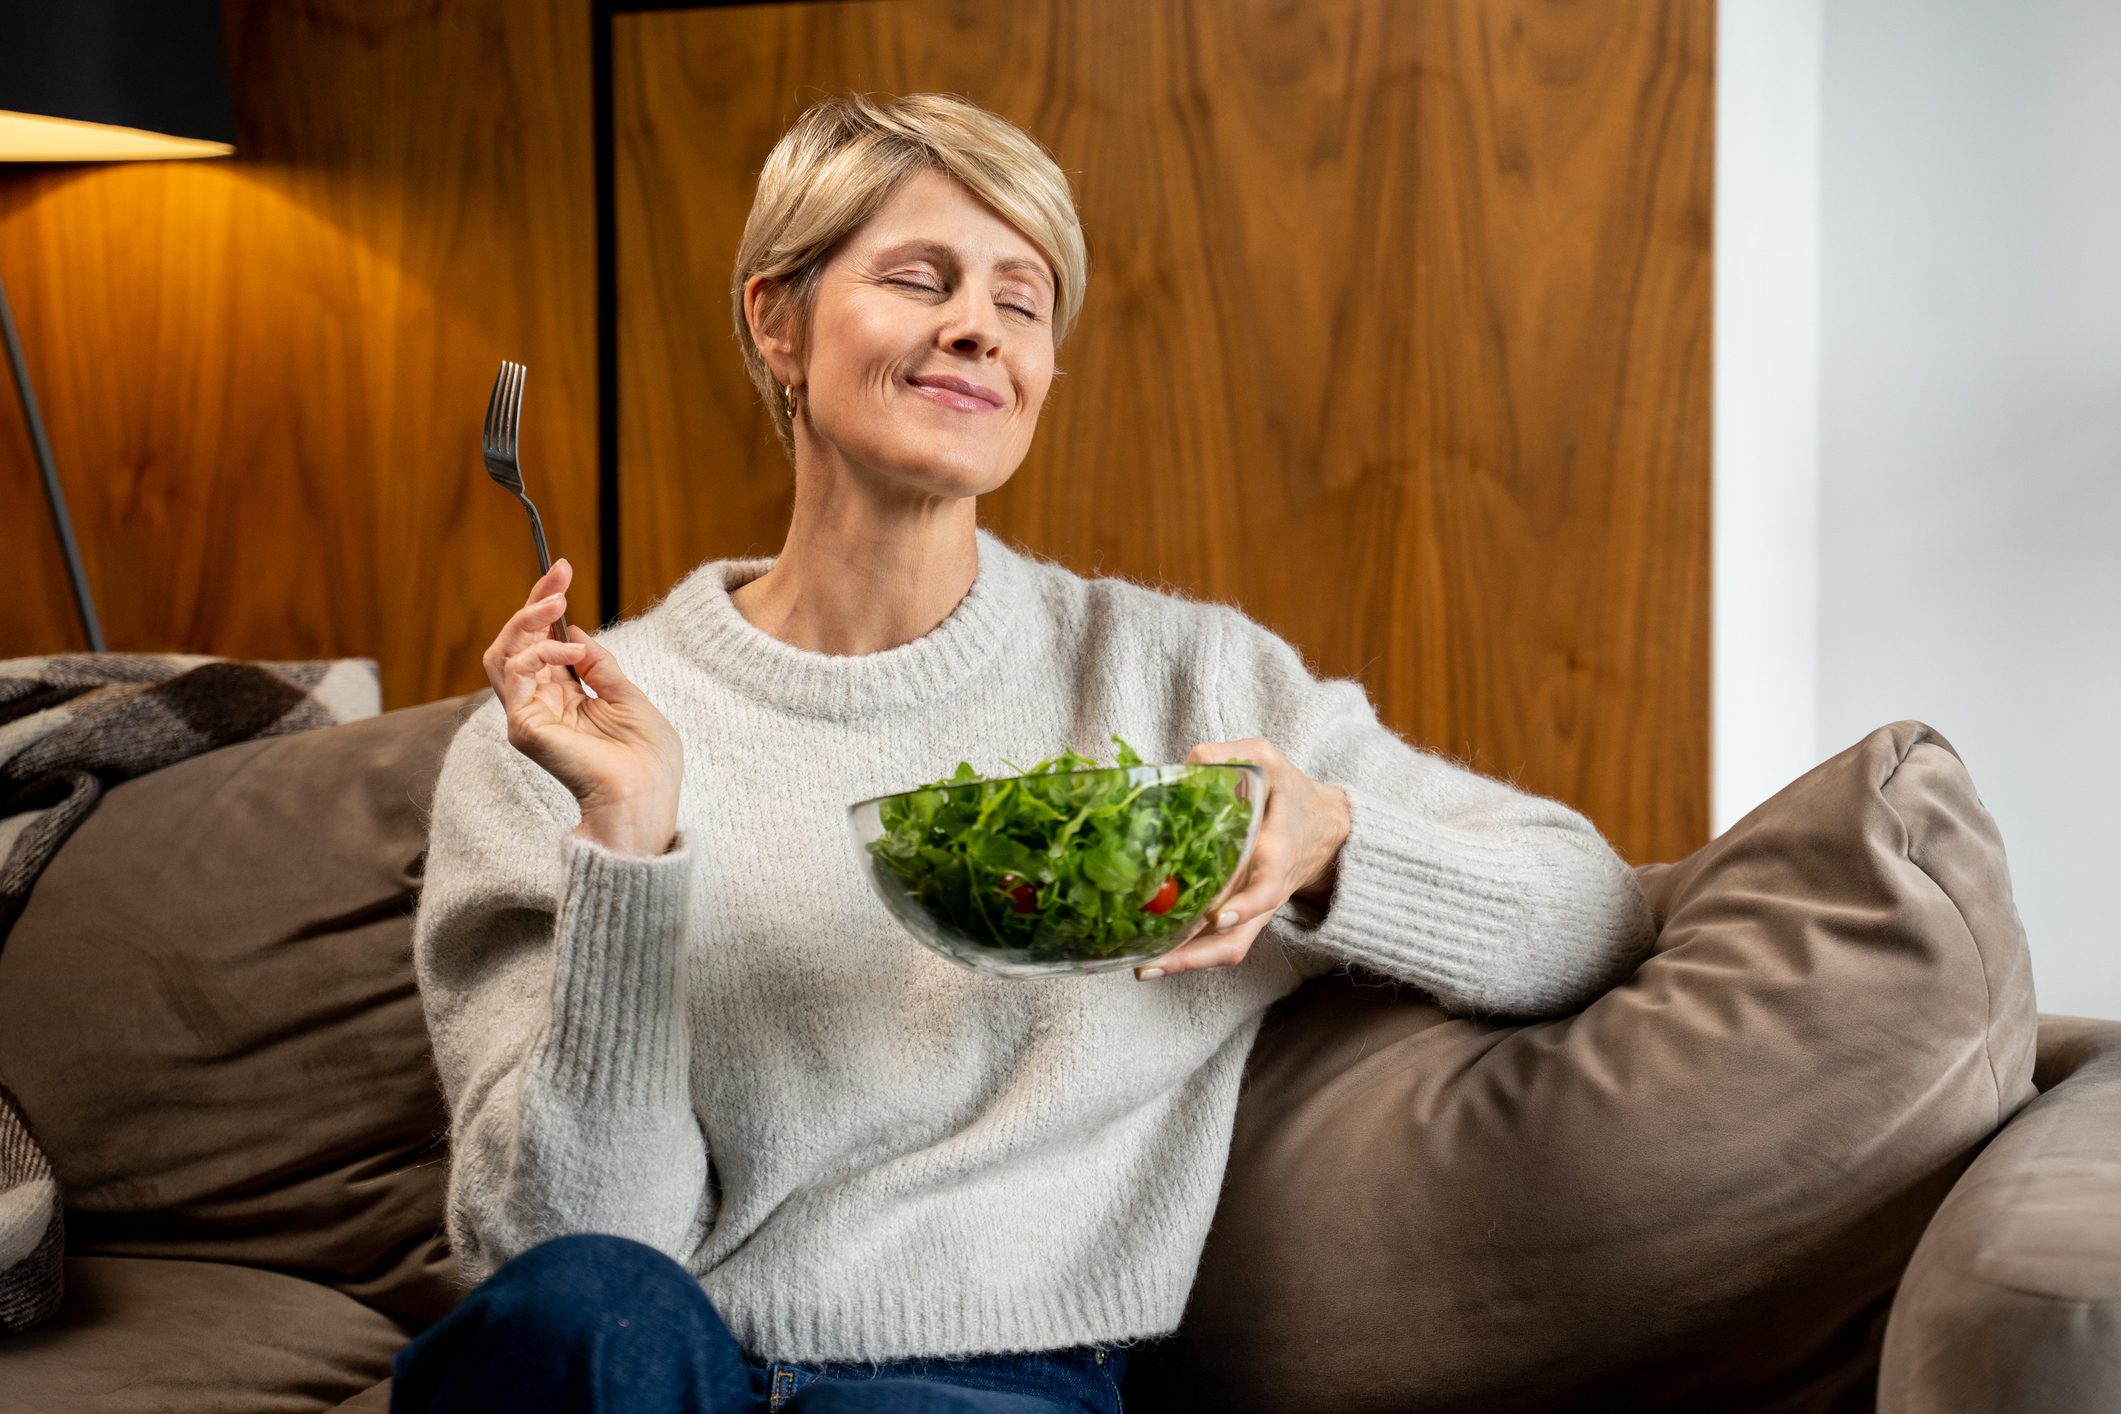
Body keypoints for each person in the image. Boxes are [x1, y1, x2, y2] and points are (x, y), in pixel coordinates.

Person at [395, 91, 1659, 1414]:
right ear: (777, 321)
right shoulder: (561, 739)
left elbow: (1589, 906)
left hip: (984, 1383)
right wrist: (628, 842)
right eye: (915, 277)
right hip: (637, 1366)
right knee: (579, 1305)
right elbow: (560, 1248)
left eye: (1021, 298)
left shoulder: (1185, 684)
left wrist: (1328, 844)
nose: (975, 329)